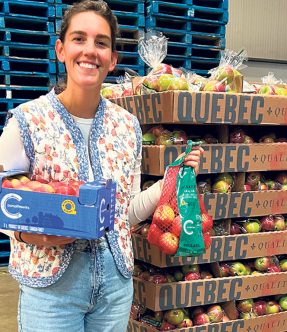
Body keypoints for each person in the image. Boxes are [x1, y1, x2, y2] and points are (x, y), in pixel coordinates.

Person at [0, 1, 203, 331]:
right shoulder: (27, 122)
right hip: (51, 288)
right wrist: (32, 235)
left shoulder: (127, 127)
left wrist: (169, 180)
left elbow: (126, 213)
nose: (90, 50)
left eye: (101, 42)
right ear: (61, 49)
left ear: (113, 60)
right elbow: (3, 204)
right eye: (79, 39)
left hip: (114, 286)